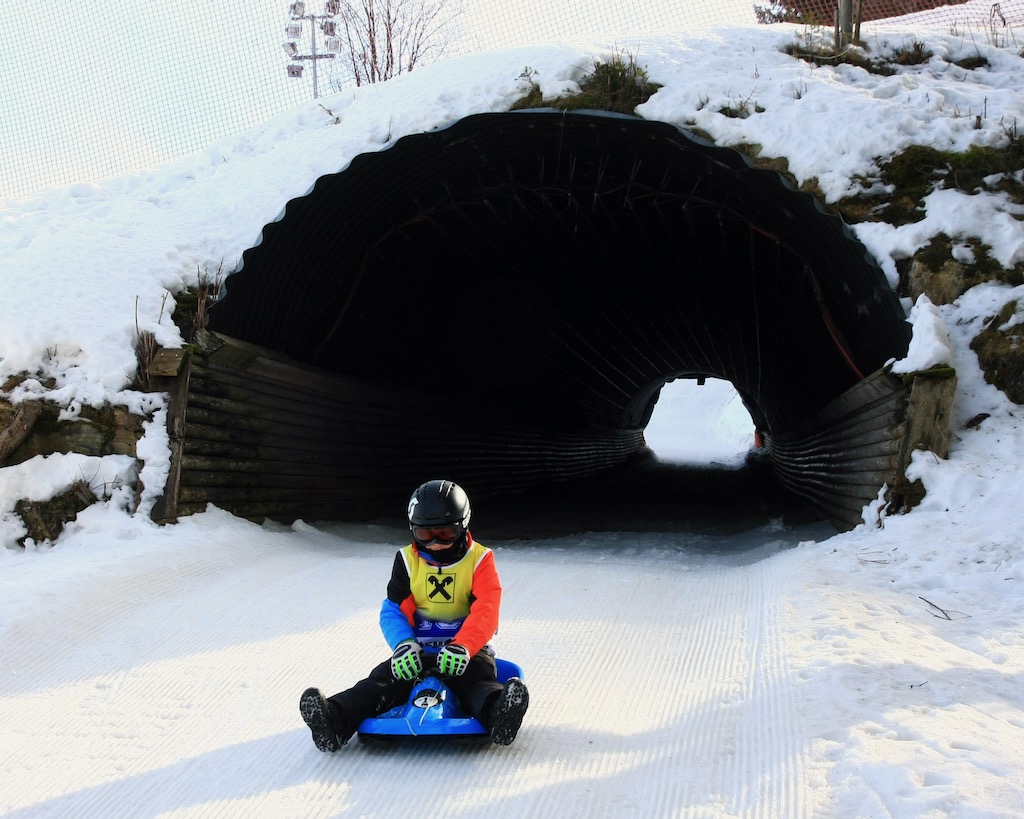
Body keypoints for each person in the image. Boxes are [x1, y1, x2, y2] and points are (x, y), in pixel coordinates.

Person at [299, 479, 529, 750]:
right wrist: (403, 645)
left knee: (475, 684)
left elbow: (486, 610)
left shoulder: (479, 560)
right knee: (380, 683)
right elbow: (393, 610)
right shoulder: (407, 561)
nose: (435, 543)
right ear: (412, 529)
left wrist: (464, 647)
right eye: (424, 534)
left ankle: (499, 713)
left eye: (444, 533)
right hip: (418, 650)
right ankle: (335, 720)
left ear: (462, 525)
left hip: (466, 653)